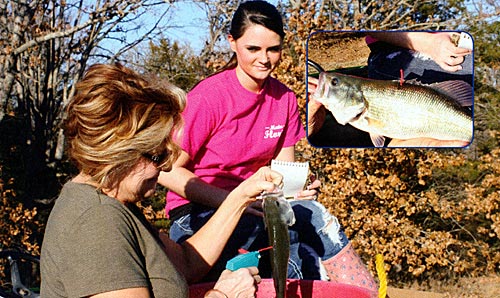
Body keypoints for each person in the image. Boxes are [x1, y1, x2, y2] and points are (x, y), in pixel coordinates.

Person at [158, 0, 377, 293]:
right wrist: (235, 201)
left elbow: (282, 174)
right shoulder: (209, 98)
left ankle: (366, 292)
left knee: (318, 219)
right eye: (253, 49)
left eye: (273, 49)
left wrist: (298, 187)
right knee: (275, 249)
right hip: (201, 212)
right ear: (232, 43)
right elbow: (166, 170)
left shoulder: (284, 98)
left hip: (259, 206)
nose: (264, 59)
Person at [40, 63, 284, 298]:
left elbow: (188, 263)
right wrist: (222, 295)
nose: (167, 165)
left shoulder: (116, 206)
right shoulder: (96, 223)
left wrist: (239, 198)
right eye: (157, 155)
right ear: (118, 154)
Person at [307, 31, 473, 147]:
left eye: (335, 83)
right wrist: (428, 43)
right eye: (335, 83)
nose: (330, 84)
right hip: (393, 50)